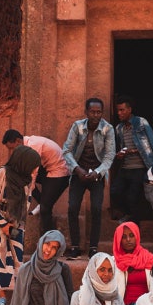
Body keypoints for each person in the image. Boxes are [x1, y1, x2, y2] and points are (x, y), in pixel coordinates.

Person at [62, 97, 116, 258]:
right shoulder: (77, 126)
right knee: (72, 209)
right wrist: (77, 169)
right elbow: (66, 150)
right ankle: (75, 246)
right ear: (86, 112)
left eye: (99, 112)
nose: (96, 115)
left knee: (96, 209)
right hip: (78, 172)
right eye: (92, 112)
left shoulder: (107, 128)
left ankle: (93, 247)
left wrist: (98, 172)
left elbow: (109, 155)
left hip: (97, 175)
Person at [2, 129, 70, 234]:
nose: (12, 152)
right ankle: (42, 202)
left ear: (18, 141)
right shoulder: (26, 145)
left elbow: (34, 171)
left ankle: (50, 238)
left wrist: (30, 187)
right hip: (48, 170)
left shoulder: (33, 145)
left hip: (60, 172)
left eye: (12, 148)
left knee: (45, 209)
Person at [110, 95, 153, 222]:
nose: (119, 113)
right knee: (115, 191)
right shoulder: (119, 128)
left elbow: (152, 144)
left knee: (132, 197)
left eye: (122, 110)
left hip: (139, 167)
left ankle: (134, 222)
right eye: (118, 110)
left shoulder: (141, 122)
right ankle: (125, 215)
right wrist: (119, 154)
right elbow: (119, 147)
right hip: (125, 167)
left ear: (129, 110)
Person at [0, 142, 25, 305]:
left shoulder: (27, 178)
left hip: (16, 223)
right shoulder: (1, 173)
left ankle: (18, 296)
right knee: (0, 256)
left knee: (17, 258)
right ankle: (2, 295)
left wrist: (14, 224)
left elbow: (25, 203)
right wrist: (3, 224)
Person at [112, 221, 153, 305]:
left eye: (131, 235)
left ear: (137, 236)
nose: (128, 239)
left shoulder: (149, 259)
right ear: (119, 240)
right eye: (124, 237)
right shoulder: (113, 262)